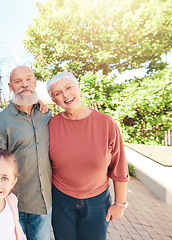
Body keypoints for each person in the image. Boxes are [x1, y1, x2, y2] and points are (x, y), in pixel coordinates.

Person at [46, 72, 130, 240]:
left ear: (79, 88)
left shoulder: (106, 123)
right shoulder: (50, 125)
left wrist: (120, 204)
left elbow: (119, 166)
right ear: (54, 101)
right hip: (61, 200)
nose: (65, 95)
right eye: (58, 93)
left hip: (97, 201)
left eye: (69, 87)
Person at [0, 65, 52, 240]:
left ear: (35, 82)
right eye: (18, 81)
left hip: (45, 202)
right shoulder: (1, 122)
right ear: (10, 86)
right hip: (16, 204)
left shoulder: (46, 115)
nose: (24, 85)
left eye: (28, 79)